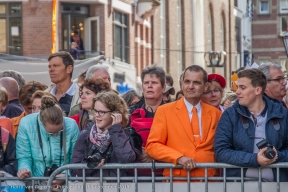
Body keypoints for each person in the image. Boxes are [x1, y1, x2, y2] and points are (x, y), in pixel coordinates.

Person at [146, 65, 222, 178]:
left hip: (209, 180)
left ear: (205, 86)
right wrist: (178, 158)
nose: (190, 86)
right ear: (182, 84)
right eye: (187, 82)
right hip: (177, 180)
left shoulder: (216, 114)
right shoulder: (165, 111)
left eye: (196, 82)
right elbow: (152, 146)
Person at [214, 68, 288, 181]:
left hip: (277, 184)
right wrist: (254, 159)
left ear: (257, 90)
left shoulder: (282, 113)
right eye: (237, 87)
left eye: (242, 88)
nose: (237, 91)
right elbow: (221, 151)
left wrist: (275, 156)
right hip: (238, 184)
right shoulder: (230, 115)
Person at [16, 96, 80, 190]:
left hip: (65, 184)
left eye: (60, 130)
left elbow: (76, 158)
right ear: (42, 122)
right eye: (51, 132)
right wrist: (25, 170)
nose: (55, 135)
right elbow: (24, 156)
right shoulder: (26, 123)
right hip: (36, 182)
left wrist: (66, 175)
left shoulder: (71, 125)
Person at [71, 91, 136, 177]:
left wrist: (116, 130)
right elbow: (73, 171)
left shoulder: (125, 134)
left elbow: (126, 159)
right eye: (95, 111)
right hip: (91, 187)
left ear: (115, 114)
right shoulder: (85, 134)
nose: (97, 115)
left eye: (102, 112)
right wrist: (89, 166)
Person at [46, 52, 81, 116]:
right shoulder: (45, 95)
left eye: (56, 66)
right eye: (49, 66)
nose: (51, 70)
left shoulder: (82, 96)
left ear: (69, 69)